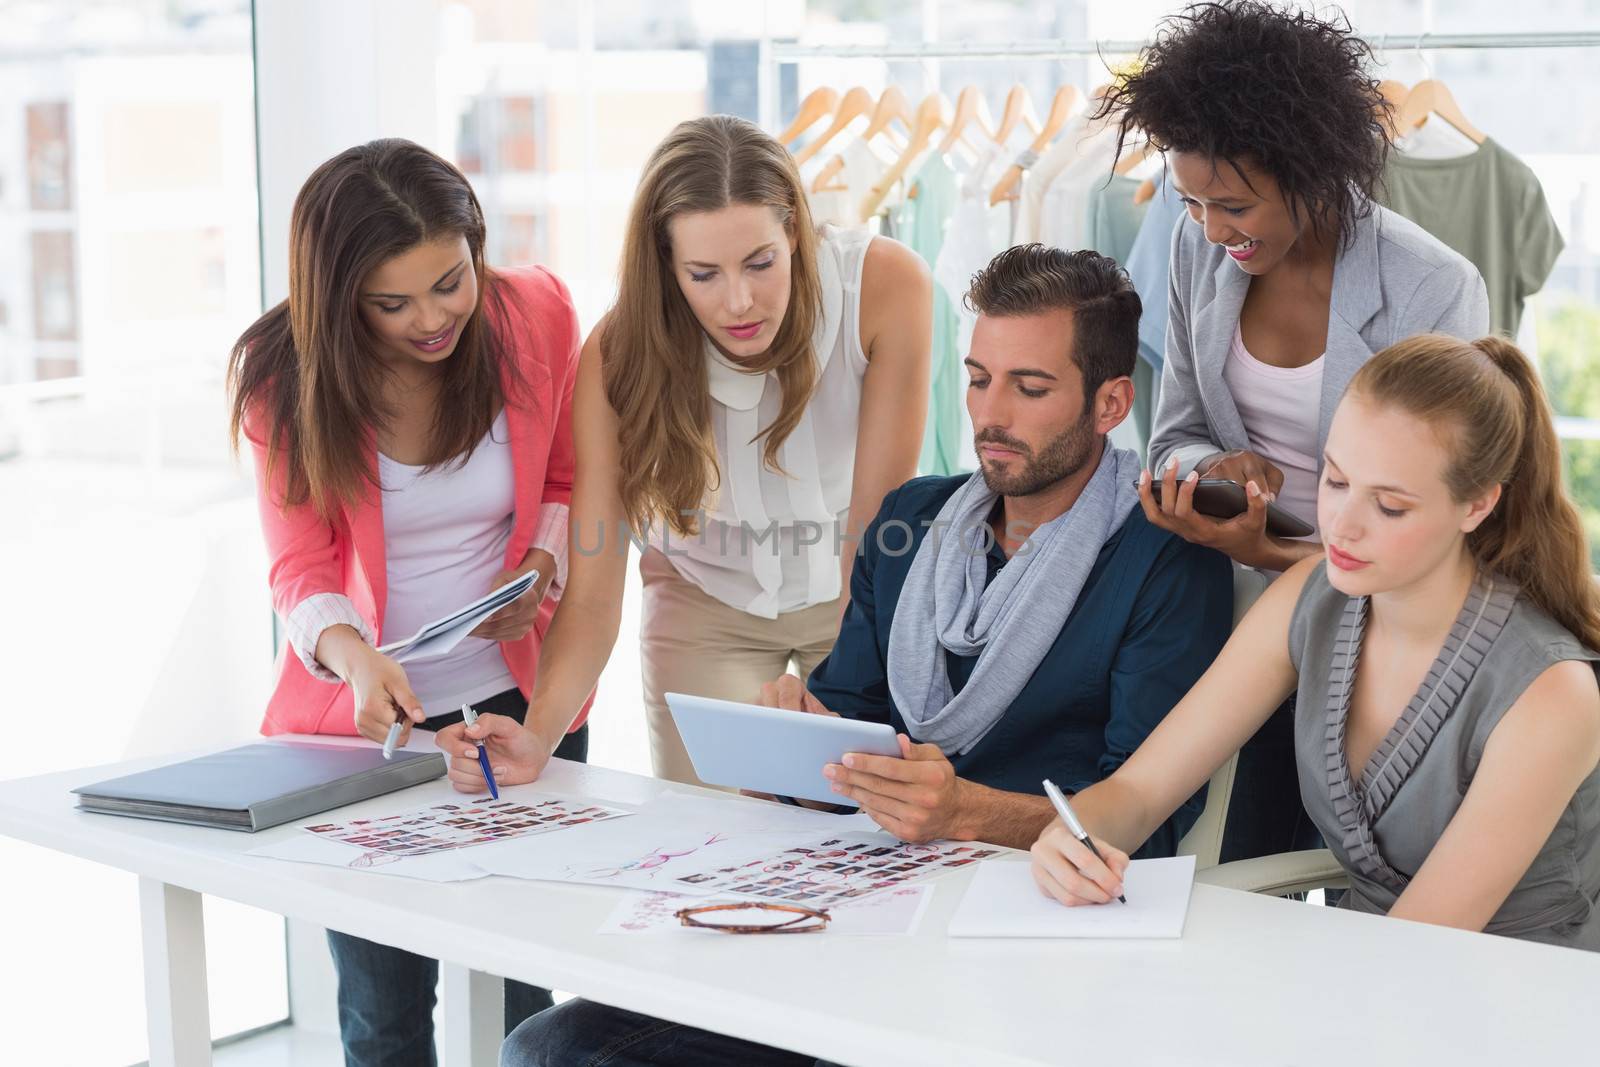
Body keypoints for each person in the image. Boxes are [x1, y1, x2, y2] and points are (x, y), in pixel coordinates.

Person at [499, 245, 1234, 1067]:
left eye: (1030, 388)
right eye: (979, 377)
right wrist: (793, 746)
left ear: (1111, 403)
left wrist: (963, 813)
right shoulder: (913, 521)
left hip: (1023, 949)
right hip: (863, 918)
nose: (992, 414)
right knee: (550, 1046)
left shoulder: (1164, 560)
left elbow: (1150, 823)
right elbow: (850, 728)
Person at [1033, 334, 1600, 953]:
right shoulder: (1312, 599)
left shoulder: (1551, 692)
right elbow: (1140, 791)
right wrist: (1074, 836)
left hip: (1519, 1001)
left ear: (1477, 505)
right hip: (1364, 977)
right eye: (1335, 480)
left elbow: (1422, 952)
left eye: (1389, 506)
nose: (1342, 526)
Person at [432, 114, 931, 792]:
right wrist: (539, 735)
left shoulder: (885, 286)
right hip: (704, 602)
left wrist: (845, 684)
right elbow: (593, 592)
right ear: (666, 266)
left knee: (863, 834)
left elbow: (875, 532)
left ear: (795, 233)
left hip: (857, 593)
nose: (739, 301)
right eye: (703, 274)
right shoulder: (615, 357)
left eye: (761, 262)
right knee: (714, 840)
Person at [1099, 0, 1491, 862]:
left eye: (1232, 204)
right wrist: (1215, 472)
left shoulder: (1433, 289)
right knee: (1231, 853)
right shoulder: (1198, 250)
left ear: (1311, 169)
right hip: (1240, 617)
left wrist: (1288, 560)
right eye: (1191, 201)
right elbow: (1174, 436)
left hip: (1383, 621)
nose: (1208, 228)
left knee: (1371, 869)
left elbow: (1441, 516)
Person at [228, 138, 586, 1066]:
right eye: (394, 303)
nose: (434, 319)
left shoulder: (535, 312)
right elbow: (297, 566)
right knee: (385, 1009)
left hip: (520, 703)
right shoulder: (284, 375)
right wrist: (357, 659)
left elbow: (565, 472)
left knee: (523, 993)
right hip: (368, 726)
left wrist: (540, 570)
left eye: (450, 281)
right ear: (338, 294)